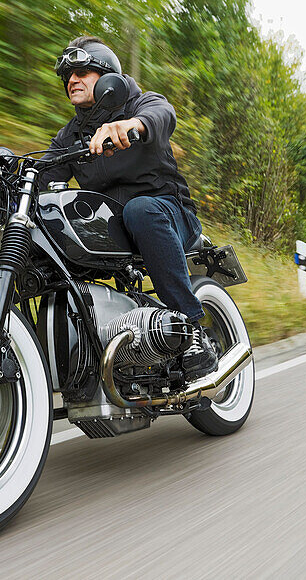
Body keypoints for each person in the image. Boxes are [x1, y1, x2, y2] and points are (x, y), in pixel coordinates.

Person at [41, 35, 218, 379]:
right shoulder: (69, 136)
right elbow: (44, 171)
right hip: (114, 230)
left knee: (140, 209)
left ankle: (192, 330)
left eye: (81, 72)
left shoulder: (141, 103)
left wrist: (131, 125)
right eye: (67, 76)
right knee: (52, 226)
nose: (71, 80)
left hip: (169, 213)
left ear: (108, 78)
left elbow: (162, 114)